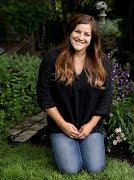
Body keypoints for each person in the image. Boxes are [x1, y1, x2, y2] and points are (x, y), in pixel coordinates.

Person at [36, 14, 112, 175]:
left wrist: (91, 125)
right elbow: (44, 96)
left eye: (86, 34)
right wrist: (63, 125)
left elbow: (106, 98)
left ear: (93, 38)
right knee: (71, 169)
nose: (80, 37)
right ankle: (63, 143)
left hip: (90, 125)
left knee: (95, 168)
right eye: (77, 31)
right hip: (61, 124)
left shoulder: (101, 61)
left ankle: (83, 143)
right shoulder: (52, 58)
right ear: (70, 32)